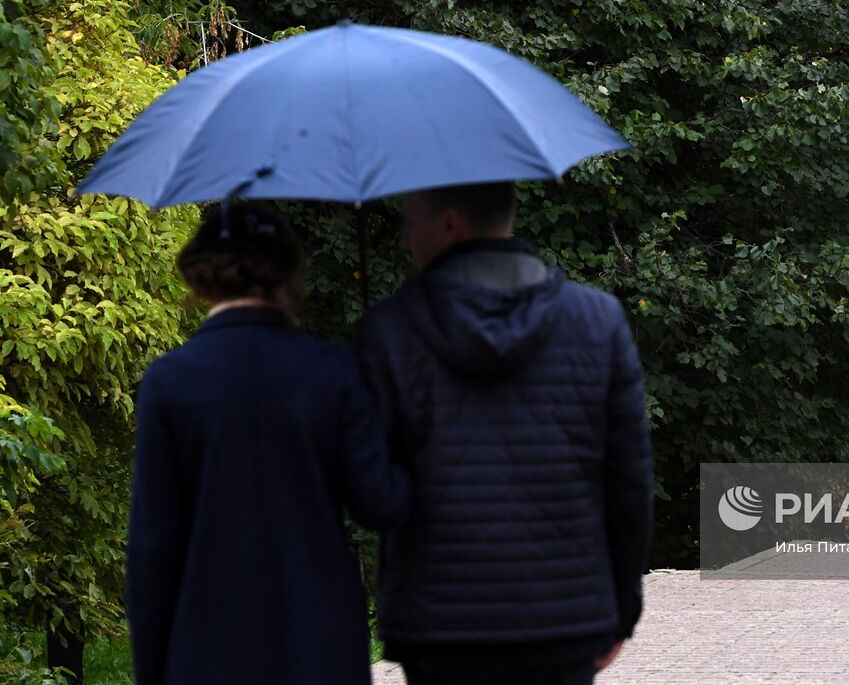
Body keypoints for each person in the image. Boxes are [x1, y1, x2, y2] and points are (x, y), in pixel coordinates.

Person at [356, 182, 653, 685]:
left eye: (411, 221)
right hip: (564, 618)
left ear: (450, 223)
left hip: (439, 624)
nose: (405, 239)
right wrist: (620, 611)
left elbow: (372, 498)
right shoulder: (597, 321)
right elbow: (629, 483)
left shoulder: (389, 330)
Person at [125, 202, 409, 685]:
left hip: (207, 649)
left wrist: (153, 669)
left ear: (200, 275)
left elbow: (153, 547)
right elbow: (380, 503)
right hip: (320, 644)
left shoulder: (169, 381)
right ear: (289, 273)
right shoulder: (330, 372)